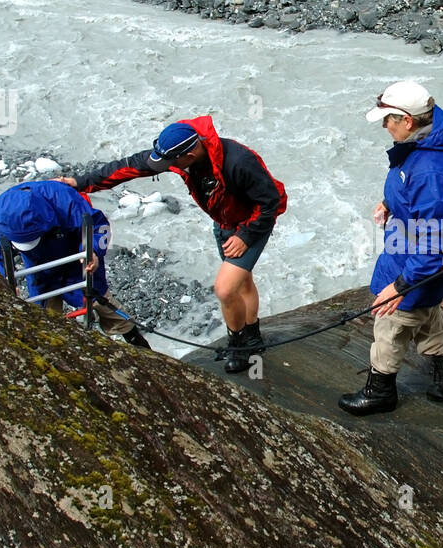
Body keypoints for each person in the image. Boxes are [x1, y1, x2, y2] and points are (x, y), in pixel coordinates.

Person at [58, 116, 286, 372]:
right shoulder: (179, 154)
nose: (166, 167)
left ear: (190, 154)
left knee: (224, 289)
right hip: (224, 223)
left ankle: (239, 346)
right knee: (242, 282)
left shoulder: (239, 162)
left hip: (251, 225)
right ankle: (253, 335)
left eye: (171, 163)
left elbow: (272, 201)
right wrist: (81, 182)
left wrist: (245, 237)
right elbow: (130, 166)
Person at [339, 81, 443, 415]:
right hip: (410, 248)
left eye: (388, 120)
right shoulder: (425, 142)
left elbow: (433, 241)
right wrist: (390, 202)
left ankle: (380, 391)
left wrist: (400, 285)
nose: (384, 127)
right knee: (425, 311)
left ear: (408, 120)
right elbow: (412, 193)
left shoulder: (432, 169)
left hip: (417, 259)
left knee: (392, 320)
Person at [0, 180, 150, 348]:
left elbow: (98, 226)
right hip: (38, 268)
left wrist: (92, 252)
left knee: (100, 299)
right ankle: (50, 349)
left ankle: (135, 340)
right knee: (42, 317)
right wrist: (0, 281)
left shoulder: (62, 198)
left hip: (76, 257)